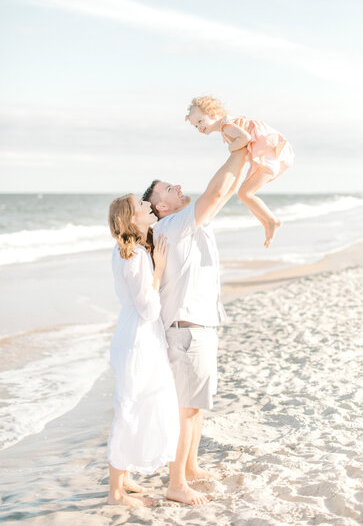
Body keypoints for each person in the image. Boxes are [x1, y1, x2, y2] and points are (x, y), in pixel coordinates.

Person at [142, 147, 247, 505]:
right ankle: (175, 484)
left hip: (197, 329)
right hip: (185, 332)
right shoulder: (173, 225)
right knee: (185, 411)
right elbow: (216, 192)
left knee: (195, 407)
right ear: (162, 207)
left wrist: (243, 157)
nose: (178, 188)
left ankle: (190, 467)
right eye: (169, 189)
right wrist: (237, 149)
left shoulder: (189, 221)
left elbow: (224, 193)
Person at [107, 194, 180, 508]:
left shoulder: (127, 250)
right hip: (138, 335)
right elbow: (148, 309)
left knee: (131, 403)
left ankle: (123, 479)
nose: (148, 206)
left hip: (132, 332)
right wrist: (159, 270)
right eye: (141, 206)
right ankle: (115, 494)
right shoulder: (136, 255)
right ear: (131, 219)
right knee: (130, 408)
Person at [186, 95, 294, 247]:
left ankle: (272, 221)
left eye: (200, 121)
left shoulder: (226, 126)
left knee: (245, 194)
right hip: (266, 155)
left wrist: (231, 147)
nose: (199, 127)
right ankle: (268, 223)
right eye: (195, 126)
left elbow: (245, 137)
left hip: (267, 155)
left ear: (213, 114)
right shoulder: (227, 127)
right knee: (245, 194)